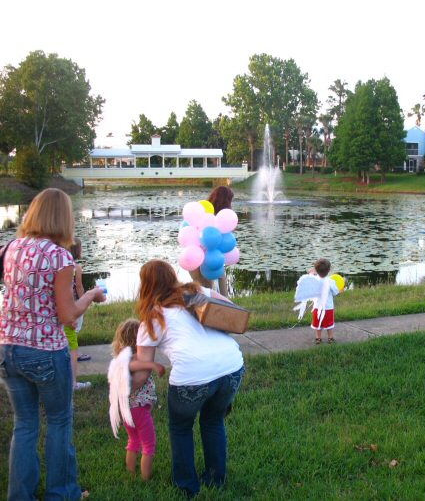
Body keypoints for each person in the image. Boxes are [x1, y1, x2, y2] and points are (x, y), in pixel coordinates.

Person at [0, 188, 106, 501]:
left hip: (7, 348)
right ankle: (62, 493)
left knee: (25, 424)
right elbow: (68, 316)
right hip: (45, 350)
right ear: (63, 218)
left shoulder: (11, 247)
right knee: (59, 421)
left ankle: (20, 495)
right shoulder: (59, 255)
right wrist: (90, 296)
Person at [134, 259, 245, 497]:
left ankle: (186, 486)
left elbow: (143, 371)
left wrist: (123, 391)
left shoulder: (153, 317)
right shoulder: (195, 292)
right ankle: (216, 479)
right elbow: (232, 310)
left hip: (193, 377)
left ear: (145, 285)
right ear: (173, 277)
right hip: (232, 366)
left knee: (181, 427)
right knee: (213, 421)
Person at [109, 319, 165, 481]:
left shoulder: (120, 359)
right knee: (149, 444)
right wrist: (153, 365)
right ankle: (145, 479)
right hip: (138, 408)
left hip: (127, 409)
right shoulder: (130, 359)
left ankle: (131, 473)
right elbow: (131, 366)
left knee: (134, 440)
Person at [190, 184, 234, 295]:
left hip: (193, 255)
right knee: (207, 288)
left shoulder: (204, 210)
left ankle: (224, 305)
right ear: (226, 200)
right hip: (201, 255)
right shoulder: (216, 216)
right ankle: (225, 304)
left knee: (203, 288)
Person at [63, 238, 91, 390]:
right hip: (74, 306)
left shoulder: (60, 266)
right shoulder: (76, 267)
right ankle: (73, 381)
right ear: (77, 251)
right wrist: (84, 300)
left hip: (62, 307)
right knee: (74, 334)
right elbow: (79, 286)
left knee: (67, 335)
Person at [294, 258, 341, 345]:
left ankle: (318, 338)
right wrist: (341, 290)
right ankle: (330, 338)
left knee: (317, 325)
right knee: (329, 324)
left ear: (316, 270)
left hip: (317, 308)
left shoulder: (314, 280)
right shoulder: (331, 281)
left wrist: (312, 273)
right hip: (328, 308)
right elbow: (336, 292)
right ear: (329, 270)